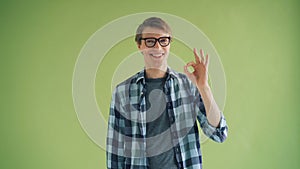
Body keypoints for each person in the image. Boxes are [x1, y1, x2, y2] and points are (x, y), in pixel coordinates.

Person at [106, 17, 228, 169]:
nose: (158, 47)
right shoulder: (122, 92)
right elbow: (115, 151)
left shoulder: (189, 86)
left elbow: (218, 133)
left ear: (169, 44)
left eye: (164, 40)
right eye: (150, 41)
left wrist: (204, 87)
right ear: (139, 45)